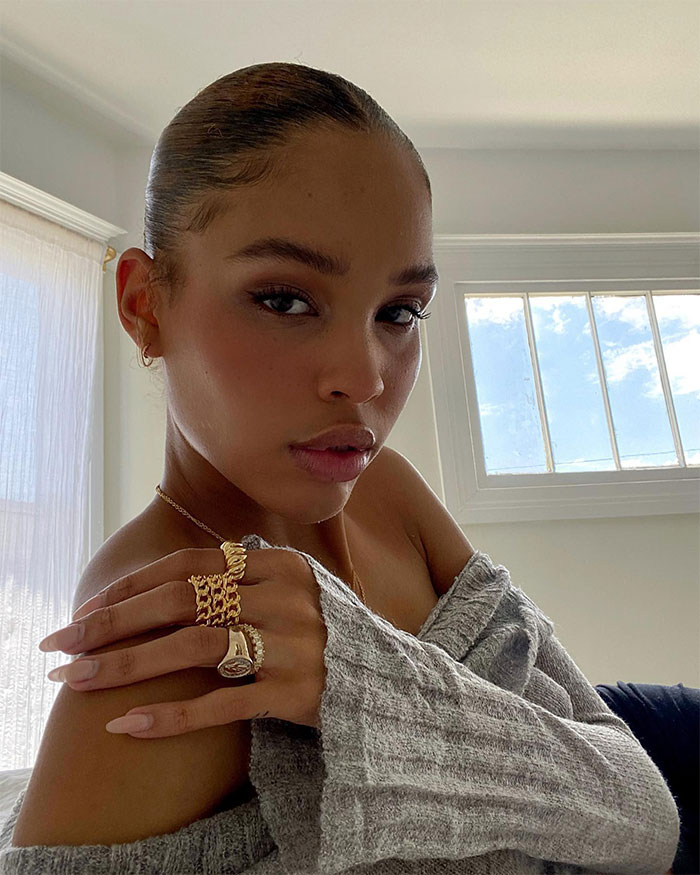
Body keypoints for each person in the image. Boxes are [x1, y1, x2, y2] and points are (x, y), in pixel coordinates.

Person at [0, 62, 681, 874]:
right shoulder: (169, 637)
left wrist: (374, 682)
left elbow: (648, 812)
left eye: (399, 311)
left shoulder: (387, 492)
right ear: (145, 306)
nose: (364, 378)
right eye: (284, 299)